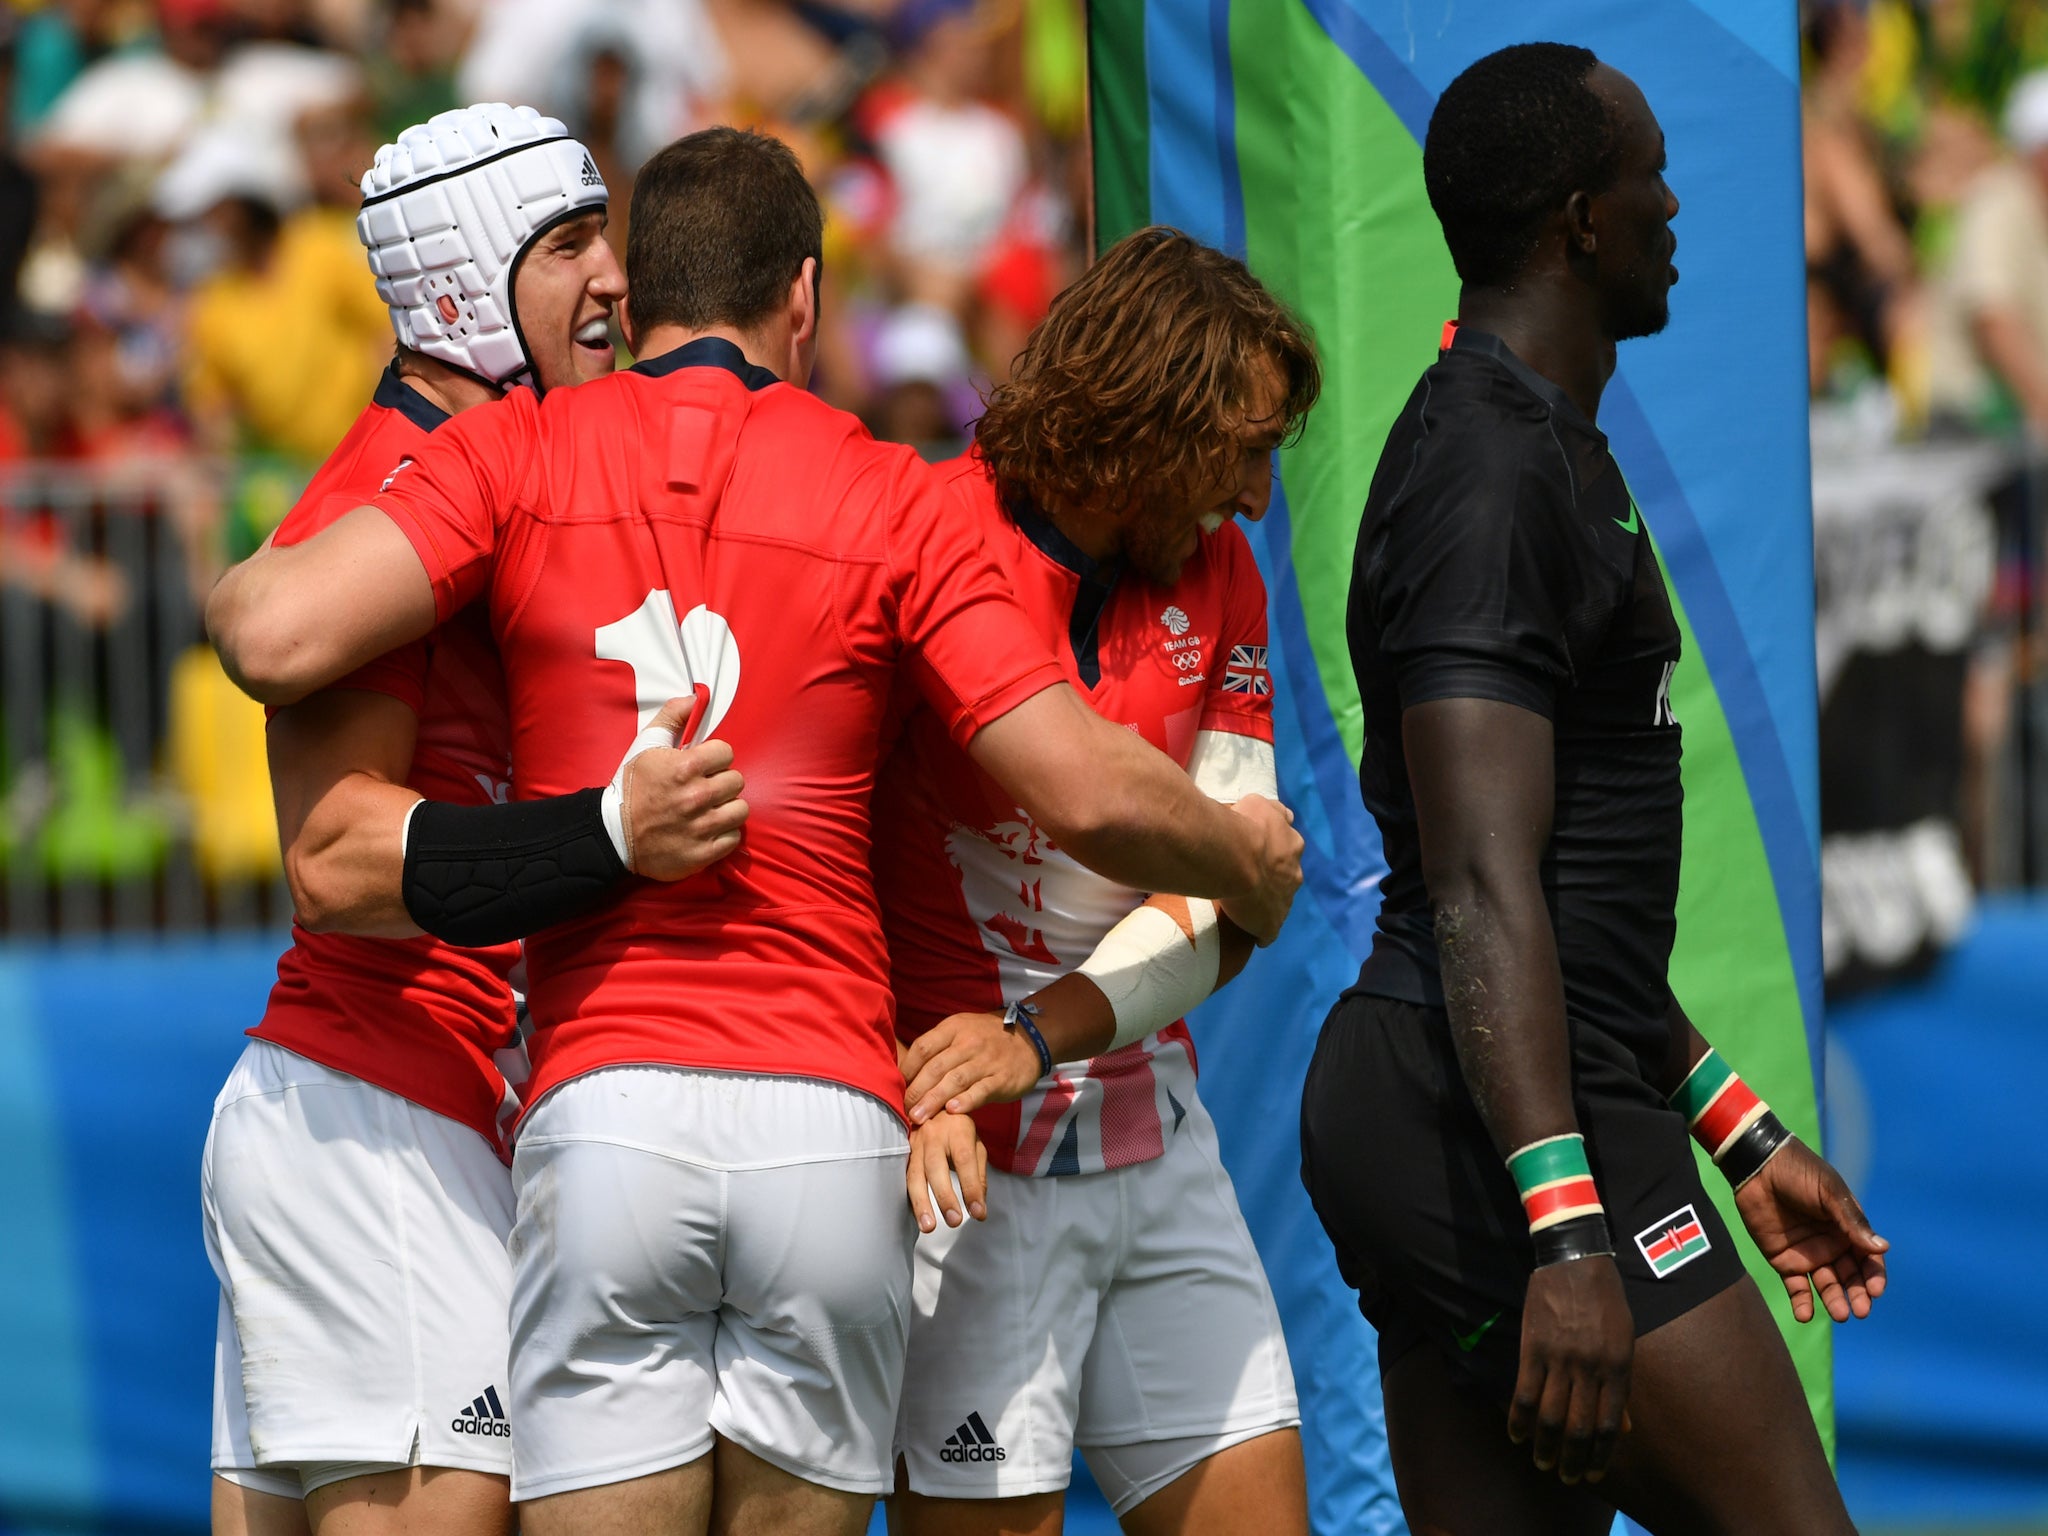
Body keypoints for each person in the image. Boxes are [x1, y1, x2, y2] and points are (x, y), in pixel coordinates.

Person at [205, 126, 1304, 1536]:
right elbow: (1078, 782)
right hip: (833, 1117)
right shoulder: (896, 490)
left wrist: (596, 827)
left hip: (596, 1111)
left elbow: (275, 637)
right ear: (806, 297)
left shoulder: (514, 448)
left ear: (643, 284)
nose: (593, 281)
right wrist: (1248, 861)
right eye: (561, 246)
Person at [1298, 43, 1889, 1535]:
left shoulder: (1533, 449)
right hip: (1483, 1121)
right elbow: (1484, 890)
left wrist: (1740, 1130)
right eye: (1650, 179)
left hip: (1487, 1104)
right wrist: (1572, 1240)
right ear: (1579, 222)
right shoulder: (1491, 471)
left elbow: (1571, 909)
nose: (1674, 207)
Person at [203, 103, 748, 1536]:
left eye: (607, 238)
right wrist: (609, 840)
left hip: (401, 1112)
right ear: (460, 278)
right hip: (376, 1109)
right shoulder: (391, 495)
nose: (614, 281)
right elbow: (333, 861)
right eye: (568, 246)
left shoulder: (477, 472)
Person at [874, 226, 1317, 1536]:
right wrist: (910, 1079)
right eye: (1243, 451)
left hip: (1152, 1136)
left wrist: (1037, 1034)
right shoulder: (925, 534)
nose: (1254, 499)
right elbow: (818, 856)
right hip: (957, 1165)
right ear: (1154, 420)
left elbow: (1230, 909)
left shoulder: (1223, 570)